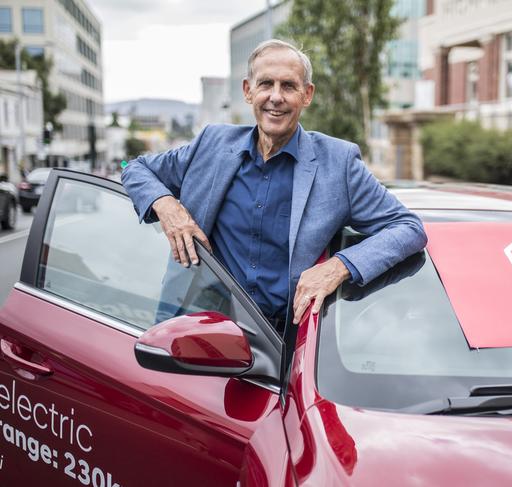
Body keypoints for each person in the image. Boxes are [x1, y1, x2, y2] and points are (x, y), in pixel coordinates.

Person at [121, 39, 427, 329]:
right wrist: (167, 206)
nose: (276, 97)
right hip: (195, 328)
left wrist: (338, 267)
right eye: (266, 83)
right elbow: (134, 167)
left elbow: (408, 228)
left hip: (280, 345)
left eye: (289, 86)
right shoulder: (210, 143)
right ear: (248, 91)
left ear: (307, 95)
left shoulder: (339, 164)